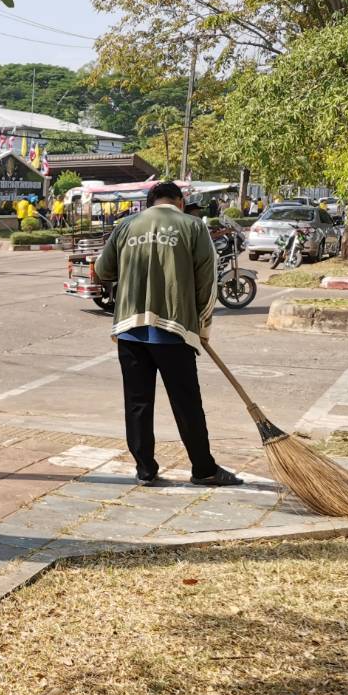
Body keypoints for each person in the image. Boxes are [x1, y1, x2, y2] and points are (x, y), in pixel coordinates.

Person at [92, 179, 243, 489]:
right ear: (180, 202)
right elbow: (207, 283)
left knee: (137, 403)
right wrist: (202, 328)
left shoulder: (126, 226)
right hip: (174, 331)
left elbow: (102, 270)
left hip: (129, 331)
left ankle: (145, 470)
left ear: (150, 203)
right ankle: (203, 470)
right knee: (186, 403)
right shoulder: (193, 226)